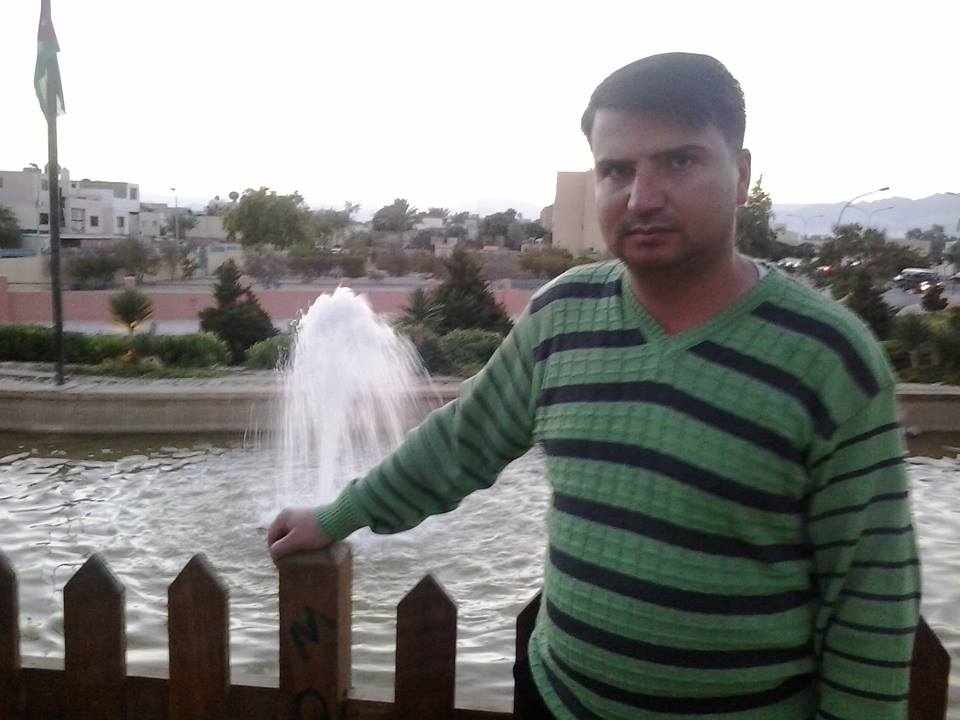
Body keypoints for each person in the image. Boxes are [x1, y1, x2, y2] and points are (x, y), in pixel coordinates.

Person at [268, 52, 920, 719]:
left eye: (679, 161)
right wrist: (339, 515)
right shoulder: (562, 315)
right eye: (617, 170)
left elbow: (871, 593)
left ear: (742, 176)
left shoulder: (829, 357)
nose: (642, 198)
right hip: (558, 700)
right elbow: (461, 442)